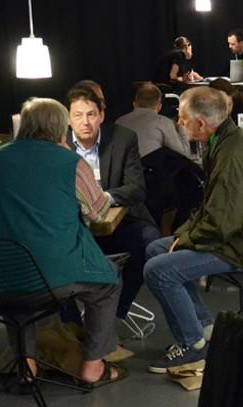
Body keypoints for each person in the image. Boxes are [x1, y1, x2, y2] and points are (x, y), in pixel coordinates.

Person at [0, 98, 126, 384]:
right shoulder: (69, 162)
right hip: (46, 280)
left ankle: (26, 366)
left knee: (16, 284)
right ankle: (93, 367)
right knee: (108, 283)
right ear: (61, 129)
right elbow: (99, 213)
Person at [143, 87, 243, 372]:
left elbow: (225, 223)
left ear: (200, 124)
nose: (178, 123)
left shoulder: (234, 155)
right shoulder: (222, 143)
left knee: (158, 270)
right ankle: (204, 328)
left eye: (182, 119)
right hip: (235, 236)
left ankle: (192, 346)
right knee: (156, 249)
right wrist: (183, 236)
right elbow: (211, 208)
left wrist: (186, 240)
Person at [66, 85, 161, 326]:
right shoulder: (58, 143)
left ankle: (115, 313)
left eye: (91, 114)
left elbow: (136, 188)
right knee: (45, 249)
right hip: (72, 228)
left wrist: (103, 198)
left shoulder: (123, 138)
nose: (85, 122)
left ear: (101, 115)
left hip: (117, 224)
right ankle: (72, 326)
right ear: (68, 118)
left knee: (150, 241)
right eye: (78, 115)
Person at [115, 83, 203, 230]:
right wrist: (181, 129)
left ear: (134, 104)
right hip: (152, 186)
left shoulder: (119, 122)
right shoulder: (163, 122)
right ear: (159, 106)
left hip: (121, 182)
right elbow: (184, 154)